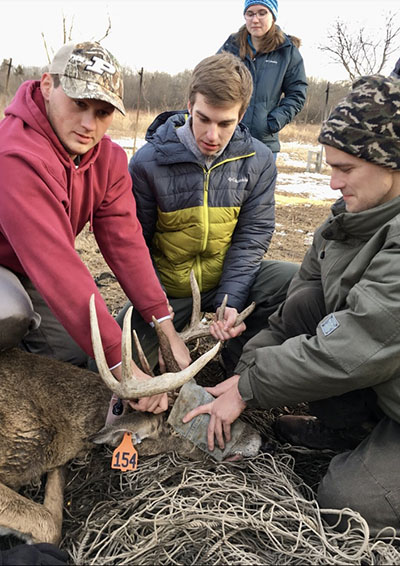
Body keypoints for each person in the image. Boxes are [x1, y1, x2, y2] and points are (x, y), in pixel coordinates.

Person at [184, 74, 400, 536]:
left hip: (381, 371)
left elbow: (358, 341)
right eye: (330, 166)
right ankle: (353, 431)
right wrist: (246, 371)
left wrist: (248, 390)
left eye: (346, 168)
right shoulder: (345, 223)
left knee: (345, 503)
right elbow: (294, 313)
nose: (332, 183)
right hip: (384, 381)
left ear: (391, 163)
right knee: (307, 305)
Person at [0, 41, 191, 417]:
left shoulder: (106, 159)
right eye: (79, 105)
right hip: (16, 270)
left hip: (30, 267)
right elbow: (58, 267)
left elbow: (126, 243)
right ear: (47, 86)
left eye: (102, 112)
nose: (89, 125)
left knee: (70, 354)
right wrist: (123, 366)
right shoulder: (16, 156)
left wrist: (164, 324)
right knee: (10, 312)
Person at [120, 52, 298, 372]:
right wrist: (161, 320)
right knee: (111, 363)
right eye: (203, 118)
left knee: (295, 284)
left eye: (225, 123)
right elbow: (135, 247)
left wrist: (231, 299)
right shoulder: (147, 164)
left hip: (226, 281)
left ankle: (242, 363)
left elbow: (251, 237)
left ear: (242, 114)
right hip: (168, 292)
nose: (212, 135)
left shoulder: (258, 162)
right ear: (189, 105)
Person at [217, 0, 307, 157]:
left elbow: (297, 94)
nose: (255, 19)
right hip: (228, 139)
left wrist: (272, 122)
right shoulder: (231, 46)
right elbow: (211, 82)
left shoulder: (287, 51)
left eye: (262, 13)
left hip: (264, 145)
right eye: (250, 13)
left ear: (273, 16)